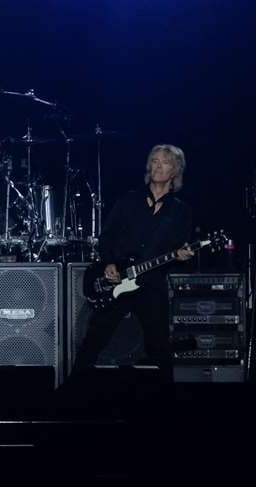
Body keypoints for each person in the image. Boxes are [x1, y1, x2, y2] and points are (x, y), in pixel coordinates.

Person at [72, 144, 194, 377]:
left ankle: (169, 406)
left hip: (151, 284)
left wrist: (182, 256)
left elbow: (179, 253)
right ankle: (69, 395)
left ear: (175, 172)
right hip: (117, 280)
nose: (158, 166)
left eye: (165, 162)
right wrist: (108, 263)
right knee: (93, 342)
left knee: (159, 346)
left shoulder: (181, 212)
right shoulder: (128, 200)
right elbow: (106, 237)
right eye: (155, 161)